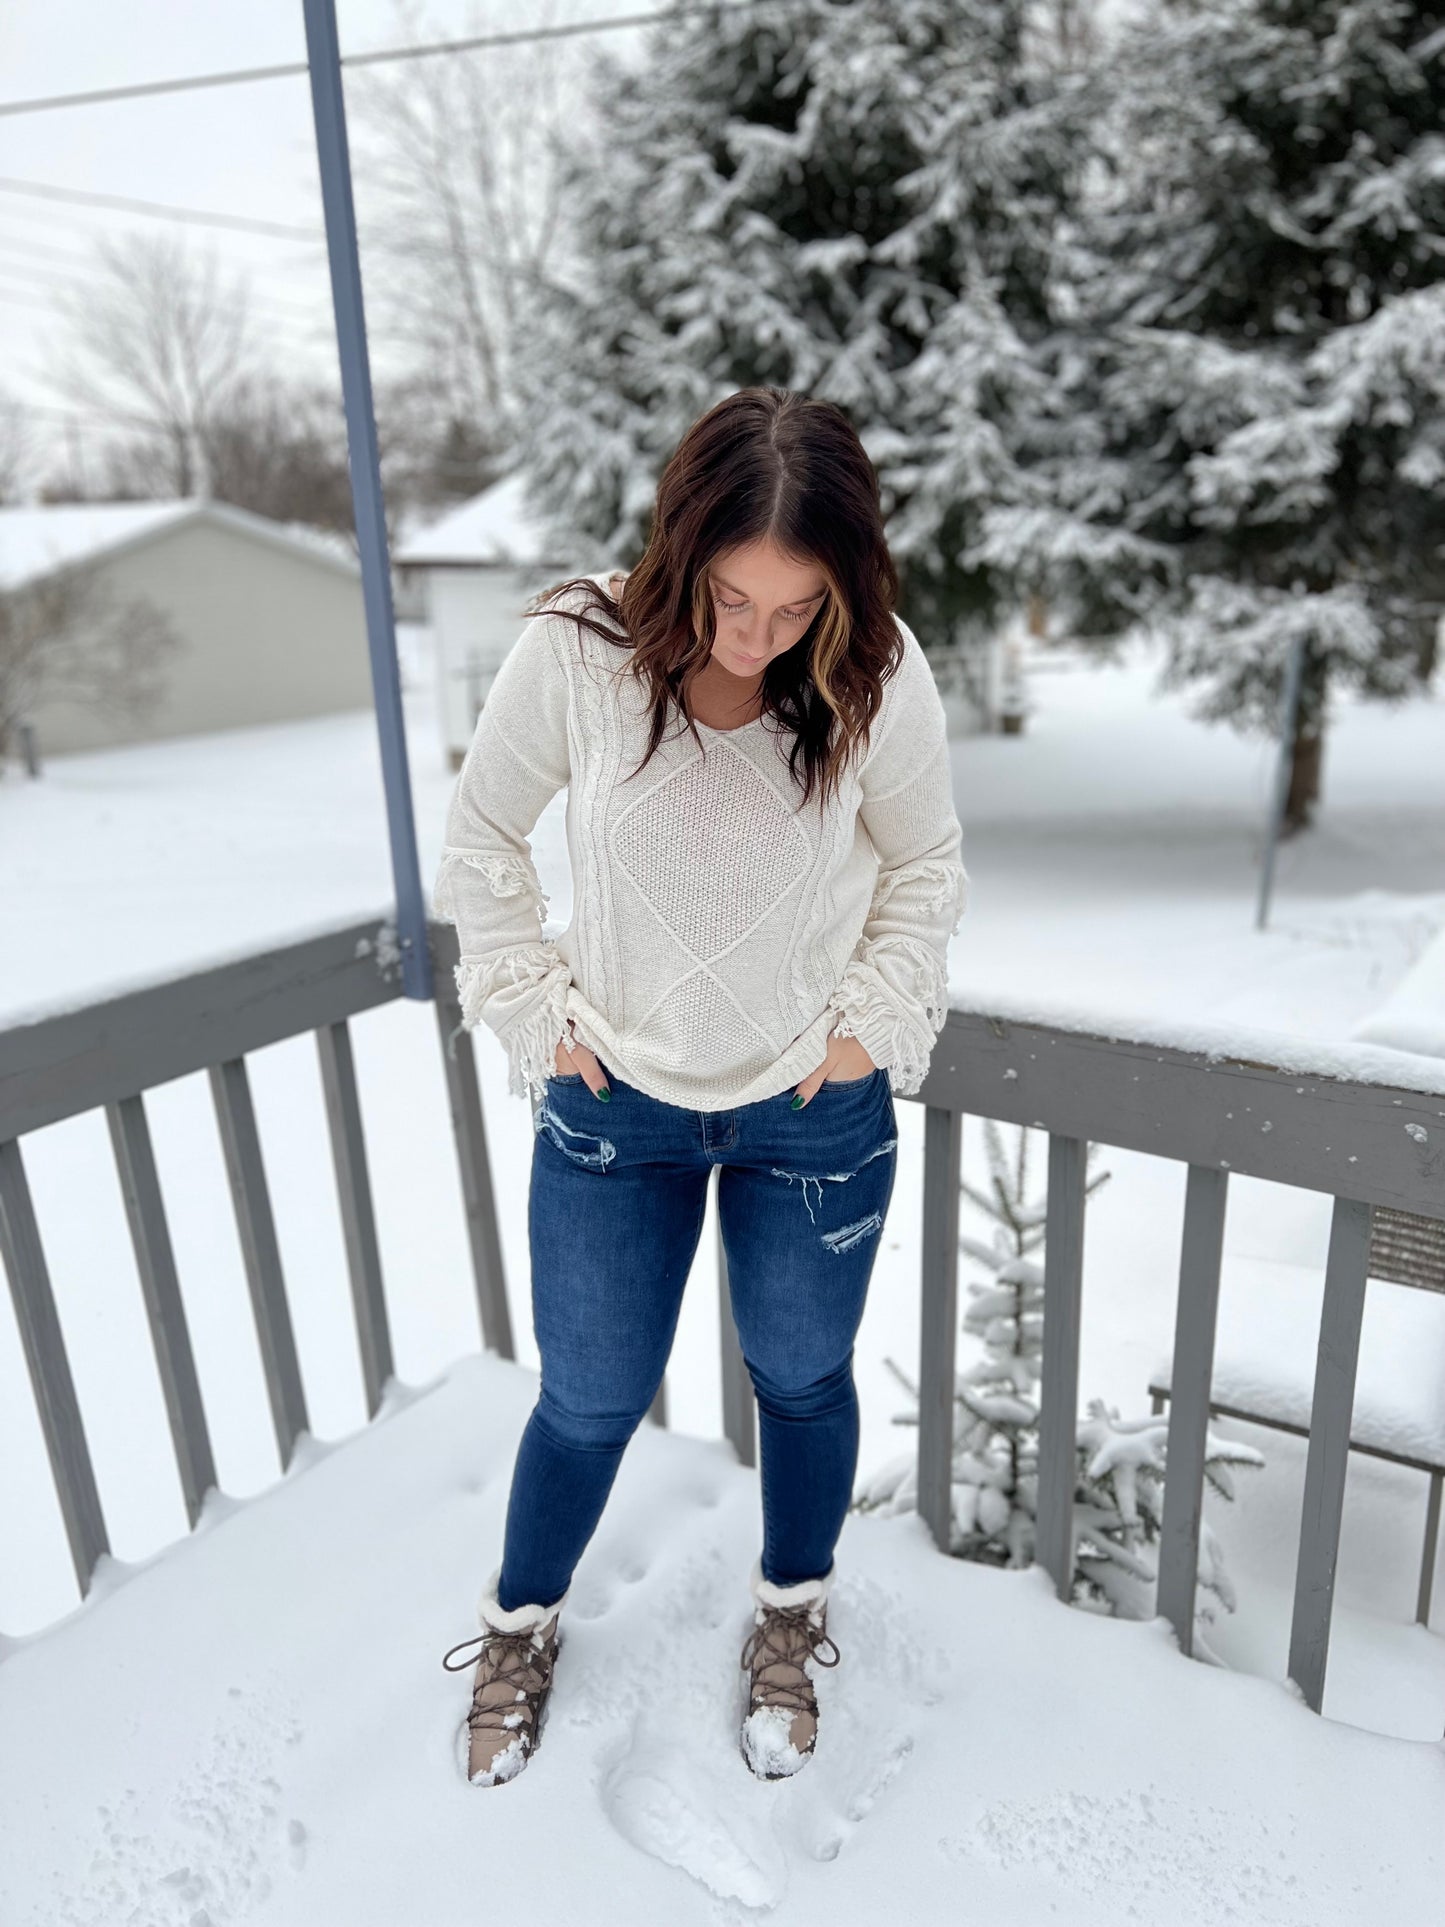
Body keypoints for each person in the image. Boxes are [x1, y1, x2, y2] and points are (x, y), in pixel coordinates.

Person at [434, 386, 968, 1787]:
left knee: (799, 1378)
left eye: (795, 609)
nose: (756, 635)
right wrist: (532, 1007)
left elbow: (923, 865)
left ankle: (790, 1613)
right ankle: (518, 1622)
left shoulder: (873, 670)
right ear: (680, 548)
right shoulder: (578, 650)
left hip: (814, 1109)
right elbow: (484, 834)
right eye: (732, 597)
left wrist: (868, 1024)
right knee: (590, 1395)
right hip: (615, 1105)